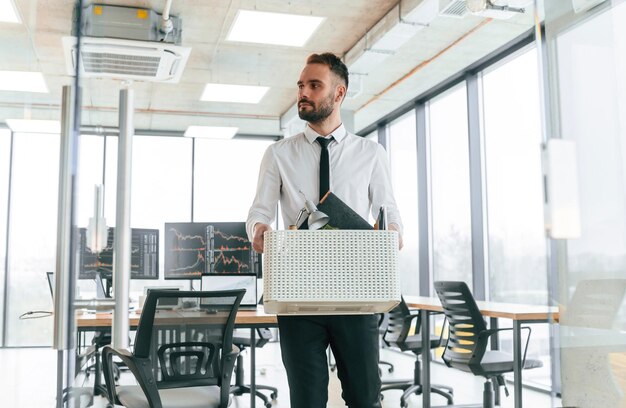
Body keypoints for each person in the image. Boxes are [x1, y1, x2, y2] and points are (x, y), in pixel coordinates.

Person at [246, 52, 403, 408]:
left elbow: (387, 207)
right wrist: (257, 229)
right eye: (302, 85)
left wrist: (393, 230)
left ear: (339, 94)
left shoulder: (371, 153)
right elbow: (260, 210)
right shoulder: (278, 154)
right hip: (298, 296)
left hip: (357, 294)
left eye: (314, 85)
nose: (304, 92)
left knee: (365, 399)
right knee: (307, 401)